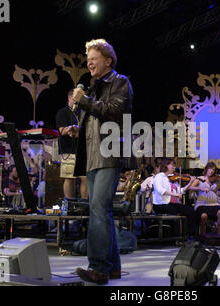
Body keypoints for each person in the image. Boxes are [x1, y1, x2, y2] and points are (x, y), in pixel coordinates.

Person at [67, 38, 133, 285]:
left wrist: (83, 100)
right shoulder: (94, 88)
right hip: (93, 156)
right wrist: (79, 130)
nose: (89, 63)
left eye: (93, 59)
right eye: (88, 59)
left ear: (108, 60)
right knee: (101, 210)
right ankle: (113, 267)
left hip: (110, 154)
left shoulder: (120, 81)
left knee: (98, 209)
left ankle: (98, 267)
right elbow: (95, 118)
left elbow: (113, 111)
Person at [56, 89, 87, 199]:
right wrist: (71, 128)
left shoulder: (82, 112)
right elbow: (62, 130)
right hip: (68, 150)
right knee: (69, 178)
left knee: (85, 178)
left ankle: (84, 204)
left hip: (82, 150)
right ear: (70, 98)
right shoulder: (62, 112)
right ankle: (68, 203)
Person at [152, 158, 196, 237]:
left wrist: (190, 182)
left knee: (190, 211)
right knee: (174, 212)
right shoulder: (159, 176)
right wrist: (174, 195)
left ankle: (189, 235)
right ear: (166, 165)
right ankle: (175, 236)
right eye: (172, 165)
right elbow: (160, 190)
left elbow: (180, 191)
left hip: (168, 203)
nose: (174, 167)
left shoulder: (167, 178)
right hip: (160, 205)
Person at [188, 162, 220, 236]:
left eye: (213, 169)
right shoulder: (200, 179)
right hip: (202, 204)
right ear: (206, 169)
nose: (211, 171)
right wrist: (201, 188)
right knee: (204, 216)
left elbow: (219, 193)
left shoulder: (215, 181)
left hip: (214, 204)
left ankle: (219, 235)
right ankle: (203, 235)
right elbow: (190, 187)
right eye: (210, 169)